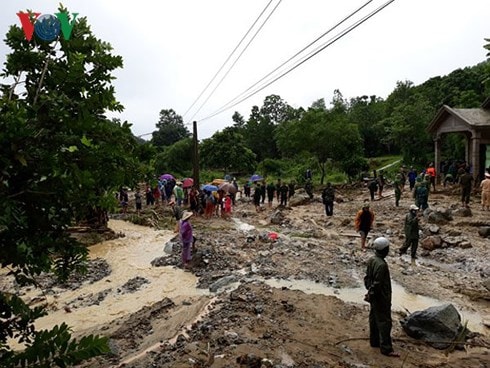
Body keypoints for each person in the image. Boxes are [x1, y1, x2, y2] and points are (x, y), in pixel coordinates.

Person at [364, 237, 400, 357]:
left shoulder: (372, 260)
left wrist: (369, 292)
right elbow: (378, 284)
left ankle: (374, 342)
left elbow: (367, 279)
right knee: (385, 322)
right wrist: (372, 293)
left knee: (374, 319)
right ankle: (386, 348)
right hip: (381, 297)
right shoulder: (382, 265)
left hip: (374, 296)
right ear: (385, 250)